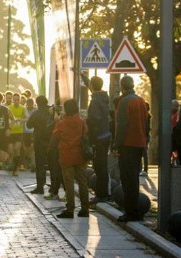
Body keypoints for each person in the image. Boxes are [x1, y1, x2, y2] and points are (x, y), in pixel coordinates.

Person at [113, 75, 148, 222]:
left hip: (127, 144)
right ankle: (135, 210)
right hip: (139, 143)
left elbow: (121, 125)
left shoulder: (124, 101)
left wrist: (116, 145)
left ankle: (130, 211)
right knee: (134, 178)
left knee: (127, 179)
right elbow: (145, 121)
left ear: (122, 87)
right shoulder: (141, 101)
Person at [52, 99, 90, 218]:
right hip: (80, 155)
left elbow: (55, 135)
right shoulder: (81, 121)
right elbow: (86, 133)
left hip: (66, 155)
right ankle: (85, 208)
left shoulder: (61, 123)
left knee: (69, 184)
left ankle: (70, 209)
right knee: (83, 182)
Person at [82, 74, 111, 203]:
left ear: (92, 87)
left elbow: (94, 120)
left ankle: (101, 194)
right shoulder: (104, 97)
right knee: (102, 165)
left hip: (98, 137)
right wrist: (83, 75)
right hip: (106, 135)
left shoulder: (95, 101)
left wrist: (86, 123)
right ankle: (104, 192)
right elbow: (91, 84)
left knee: (99, 167)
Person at [26, 95, 52, 195]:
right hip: (51, 141)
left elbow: (28, 125)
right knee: (53, 165)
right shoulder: (51, 111)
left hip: (39, 141)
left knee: (40, 164)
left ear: (37, 103)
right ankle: (54, 188)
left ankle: (40, 187)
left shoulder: (36, 113)